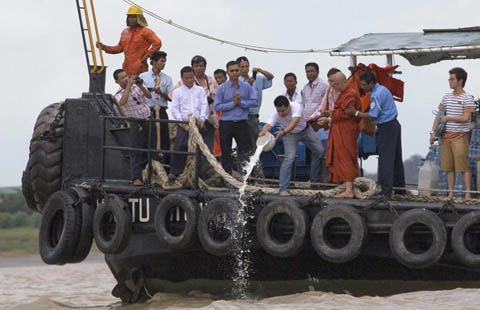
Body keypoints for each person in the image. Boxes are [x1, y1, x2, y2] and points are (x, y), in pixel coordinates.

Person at [345, 70, 406, 199]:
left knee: (386, 160)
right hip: (394, 125)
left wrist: (355, 113)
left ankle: (386, 193)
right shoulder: (382, 89)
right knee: (395, 159)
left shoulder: (376, 95)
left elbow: (372, 116)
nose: (362, 87)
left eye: (363, 85)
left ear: (371, 83)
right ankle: (400, 190)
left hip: (387, 127)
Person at [259, 96, 324, 196]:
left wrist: (283, 132)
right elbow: (268, 125)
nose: (281, 113)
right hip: (289, 135)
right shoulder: (275, 114)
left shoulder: (296, 106)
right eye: (278, 111)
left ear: (288, 106)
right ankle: (283, 188)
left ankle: (314, 182)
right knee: (289, 158)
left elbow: (295, 121)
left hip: (305, 131)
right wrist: (262, 133)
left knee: (319, 151)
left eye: (283, 111)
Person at [429, 67, 474, 199]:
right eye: (449, 79)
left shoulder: (467, 98)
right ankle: (450, 193)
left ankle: (467, 194)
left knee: (463, 165)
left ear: (460, 81)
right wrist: (433, 132)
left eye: (452, 79)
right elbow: (438, 115)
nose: (450, 81)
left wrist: (449, 118)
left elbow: (466, 118)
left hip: (460, 136)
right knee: (448, 166)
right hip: (445, 136)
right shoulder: (446, 97)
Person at [322, 72, 361, 198]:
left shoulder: (351, 94)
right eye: (332, 83)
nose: (334, 86)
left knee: (346, 157)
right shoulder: (342, 93)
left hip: (346, 130)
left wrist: (330, 114)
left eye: (336, 83)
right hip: (339, 129)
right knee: (341, 157)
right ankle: (348, 187)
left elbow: (346, 113)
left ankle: (349, 190)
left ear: (345, 82)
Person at [214, 60, 258, 174]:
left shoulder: (246, 86)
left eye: (236, 70)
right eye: (232, 71)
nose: (234, 73)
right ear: (227, 72)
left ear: (239, 71)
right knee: (226, 152)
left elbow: (254, 101)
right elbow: (217, 106)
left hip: (242, 123)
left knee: (245, 152)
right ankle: (227, 177)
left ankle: (247, 178)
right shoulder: (221, 88)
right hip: (226, 123)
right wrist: (232, 103)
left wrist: (241, 103)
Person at [113, 68, 153, 186]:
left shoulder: (137, 86)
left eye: (126, 76)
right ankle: (136, 177)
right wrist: (129, 86)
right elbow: (122, 102)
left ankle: (152, 175)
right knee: (135, 150)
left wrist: (140, 85)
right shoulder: (118, 94)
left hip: (148, 119)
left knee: (152, 148)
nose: (126, 79)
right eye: (122, 78)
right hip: (135, 123)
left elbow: (149, 96)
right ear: (117, 81)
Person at [96, 6, 161, 77]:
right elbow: (120, 48)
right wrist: (104, 47)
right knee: (126, 86)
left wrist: (145, 57)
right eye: (130, 17)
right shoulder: (125, 32)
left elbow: (157, 43)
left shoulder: (146, 32)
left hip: (139, 68)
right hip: (126, 68)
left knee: (138, 86)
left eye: (134, 17)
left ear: (139, 18)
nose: (131, 19)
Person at [169, 66, 209, 180]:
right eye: (187, 78)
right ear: (182, 78)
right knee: (180, 146)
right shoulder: (177, 92)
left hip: (197, 123)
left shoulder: (200, 90)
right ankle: (175, 171)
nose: (189, 80)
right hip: (184, 123)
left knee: (198, 147)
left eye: (191, 77)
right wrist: (181, 122)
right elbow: (175, 108)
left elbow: (204, 105)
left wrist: (202, 119)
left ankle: (197, 173)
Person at [172, 56, 218, 153]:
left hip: (207, 119)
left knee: (206, 147)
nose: (199, 68)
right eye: (196, 66)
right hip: (186, 122)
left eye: (201, 66)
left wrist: (202, 118)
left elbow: (207, 102)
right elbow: (174, 103)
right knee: (182, 147)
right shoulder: (180, 86)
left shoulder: (209, 80)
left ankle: (205, 167)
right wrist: (181, 121)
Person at [139, 51, 173, 157]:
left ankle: (164, 163)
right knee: (148, 137)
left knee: (164, 137)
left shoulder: (167, 78)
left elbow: (171, 97)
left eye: (165, 61)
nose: (164, 64)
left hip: (161, 110)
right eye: (161, 61)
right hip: (148, 110)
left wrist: (161, 92)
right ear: (153, 62)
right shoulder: (143, 77)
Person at [236, 56, 274, 146]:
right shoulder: (236, 81)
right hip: (241, 116)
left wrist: (259, 70)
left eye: (246, 66)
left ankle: (255, 159)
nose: (245, 69)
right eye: (242, 67)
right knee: (243, 142)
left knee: (255, 142)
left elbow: (270, 77)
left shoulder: (258, 78)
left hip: (253, 116)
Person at [307, 67, 341, 148]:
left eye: (333, 81)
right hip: (331, 126)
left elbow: (344, 114)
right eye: (330, 81)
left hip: (342, 127)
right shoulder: (329, 90)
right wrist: (311, 117)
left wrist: (328, 119)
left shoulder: (346, 93)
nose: (332, 84)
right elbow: (322, 107)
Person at [213, 69, 228, 155]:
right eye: (216, 78)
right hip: (217, 114)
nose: (218, 80)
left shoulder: (231, 88)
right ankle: (217, 154)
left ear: (225, 77)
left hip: (227, 114)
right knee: (216, 137)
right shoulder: (215, 89)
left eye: (220, 77)